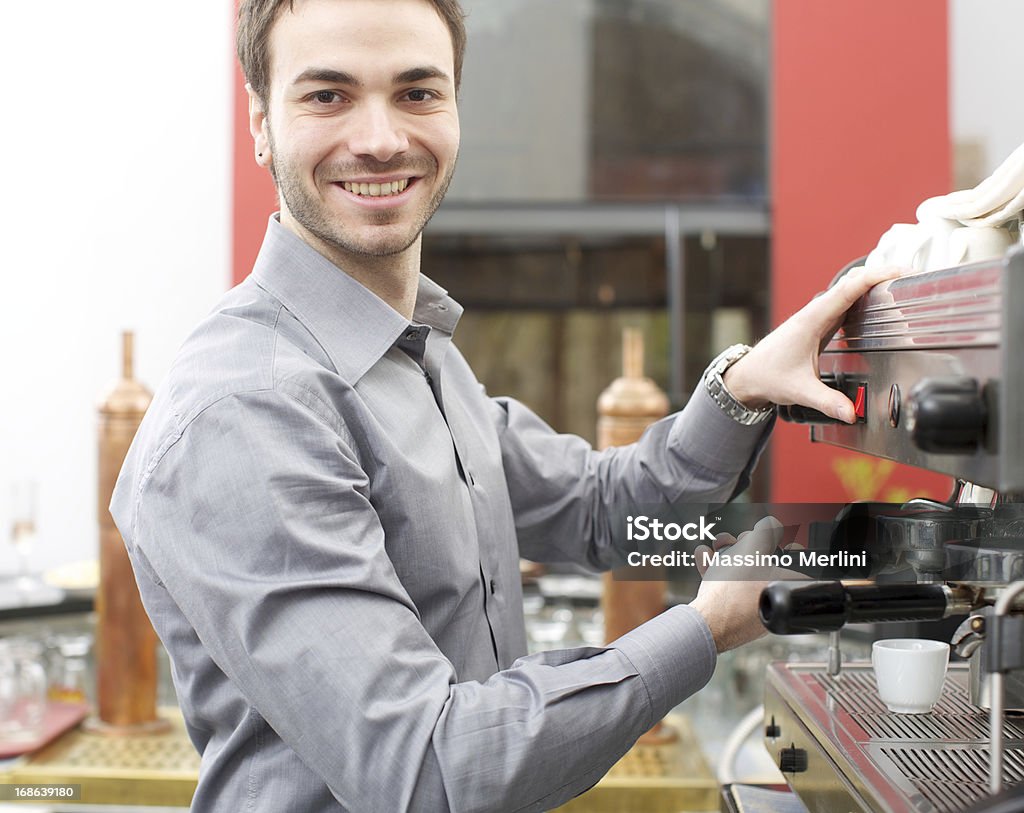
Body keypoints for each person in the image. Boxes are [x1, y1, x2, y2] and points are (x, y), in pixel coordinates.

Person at [111, 1, 898, 810]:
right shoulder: (247, 408)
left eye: (417, 92)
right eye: (328, 96)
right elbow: (431, 770)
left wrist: (742, 387)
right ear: (260, 123)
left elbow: (605, 508)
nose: (381, 138)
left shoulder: (420, 354)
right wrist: (706, 627)